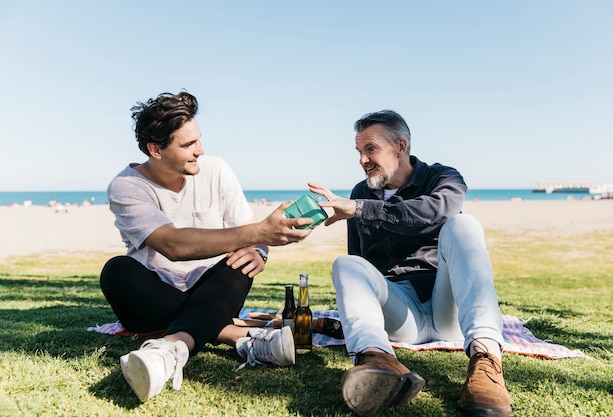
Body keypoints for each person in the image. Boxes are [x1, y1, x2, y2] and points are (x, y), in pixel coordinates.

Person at [100, 91, 313, 402]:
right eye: (187, 144)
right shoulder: (126, 186)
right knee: (116, 271)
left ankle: (170, 350)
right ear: (156, 149)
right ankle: (239, 337)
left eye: (198, 139)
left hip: (213, 292)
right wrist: (259, 232)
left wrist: (260, 249)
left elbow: (250, 236)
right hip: (153, 299)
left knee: (241, 260)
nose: (200, 150)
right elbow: (172, 245)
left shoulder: (217, 169)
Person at [308, 110, 511, 416]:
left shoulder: (443, 178)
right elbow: (361, 267)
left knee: (463, 225)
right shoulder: (360, 194)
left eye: (371, 149)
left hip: (448, 308)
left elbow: (434, 211)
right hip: (403, 316)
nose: (362, 160)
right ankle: (376, 358)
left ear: (401, 147)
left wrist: (363, 209)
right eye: (359, 152)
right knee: (347, 264)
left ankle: (486, 361)